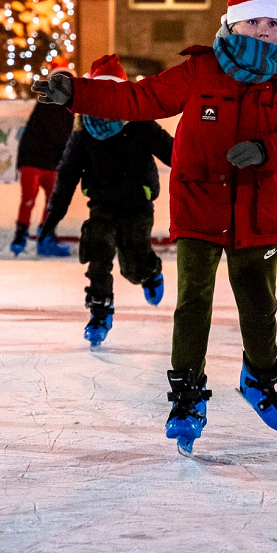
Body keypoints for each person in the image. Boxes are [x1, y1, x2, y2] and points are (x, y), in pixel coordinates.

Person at [33, 0, 277, 455]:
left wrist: (267, 150)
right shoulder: (201, 71)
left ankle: (260, 379)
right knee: (193, 304)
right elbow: (139, 98)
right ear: (235, 23)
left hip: (258, 209)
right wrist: (76, 93)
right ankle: (186, 396)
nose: (268, 32)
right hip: (199, 205)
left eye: (275, 24)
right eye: (258, 23)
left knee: (258, 304)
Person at [38, 54, 174, 348]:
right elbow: (67, 173)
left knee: (132, 267)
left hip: (138, 204)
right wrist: (54, 214)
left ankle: (150, 272)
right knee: (96, 250)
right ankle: (100, 312)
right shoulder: (83, 131)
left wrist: (203, 168)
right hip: (101, 203)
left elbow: (174, 153)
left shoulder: (140, 123)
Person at [11, 58, 75, 257]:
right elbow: (58, 132)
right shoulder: (56, 102)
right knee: (44, 200)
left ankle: (26, 238)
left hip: (41, 159)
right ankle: (40, 238)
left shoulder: (57, 101)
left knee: (35, 200)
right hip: (37, 159)